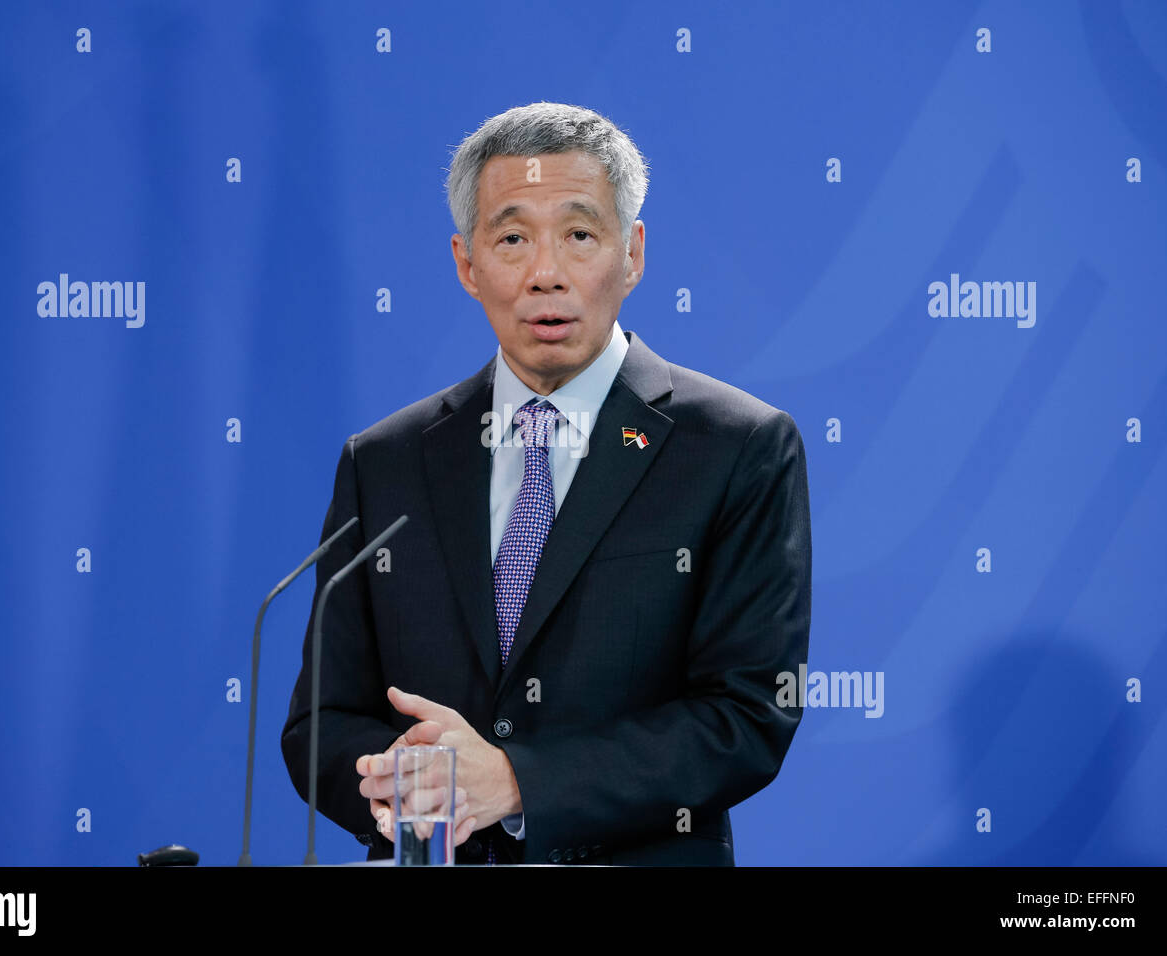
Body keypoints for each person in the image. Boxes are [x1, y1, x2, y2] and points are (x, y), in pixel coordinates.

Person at [281, 101, 811, 865]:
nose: (546, 274)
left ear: (631, 254)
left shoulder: (736, 446)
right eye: (512, 238)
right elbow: (323, 722)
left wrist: (516, 781)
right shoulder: (385, 461)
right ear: (467, 264)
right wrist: (401, 781)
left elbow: (748, 716)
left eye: (579, 235)